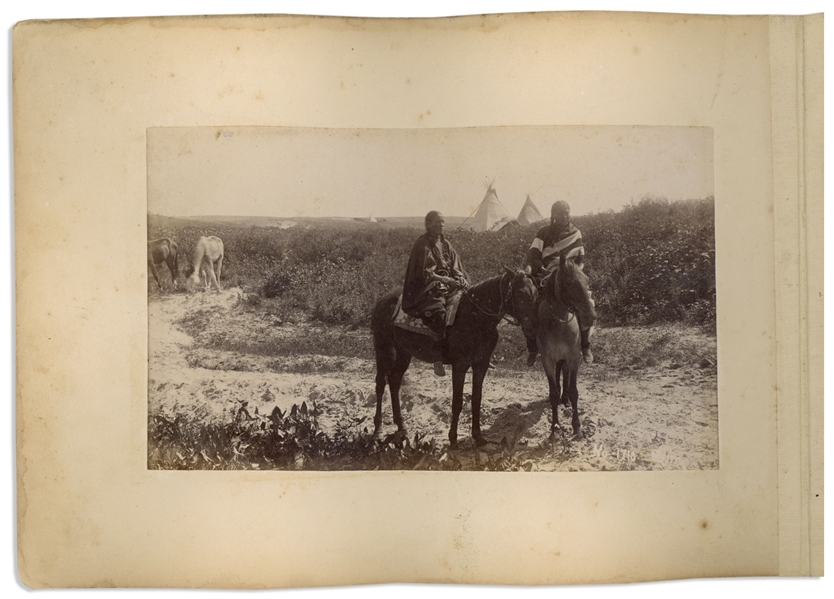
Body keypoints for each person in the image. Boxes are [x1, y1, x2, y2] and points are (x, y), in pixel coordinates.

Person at [524, 200, 594, 365]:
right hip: (545, 274)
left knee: (587, 301)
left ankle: (585, 345)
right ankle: (533, 348)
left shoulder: (576, 232)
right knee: (529, 305)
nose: (564, 216)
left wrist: (574, 272)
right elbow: (534, 256)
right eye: (560, 213)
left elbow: (581, 260)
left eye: (567, 212)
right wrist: (544, 271)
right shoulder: (543, 232)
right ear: (553, 215)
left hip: (569, 275)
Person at [402, 211, 470, 376]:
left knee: (470, 307)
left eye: (443, 222)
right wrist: (447, 281)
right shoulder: (422, 244)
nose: (441, 225)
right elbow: (426, 273)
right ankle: (438, 356)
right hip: (428, 286)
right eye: (437, 222)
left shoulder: (446, 243)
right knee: (438, 312)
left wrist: (460, 278)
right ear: (428, 224)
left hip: (449, 284)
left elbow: (455, 266)